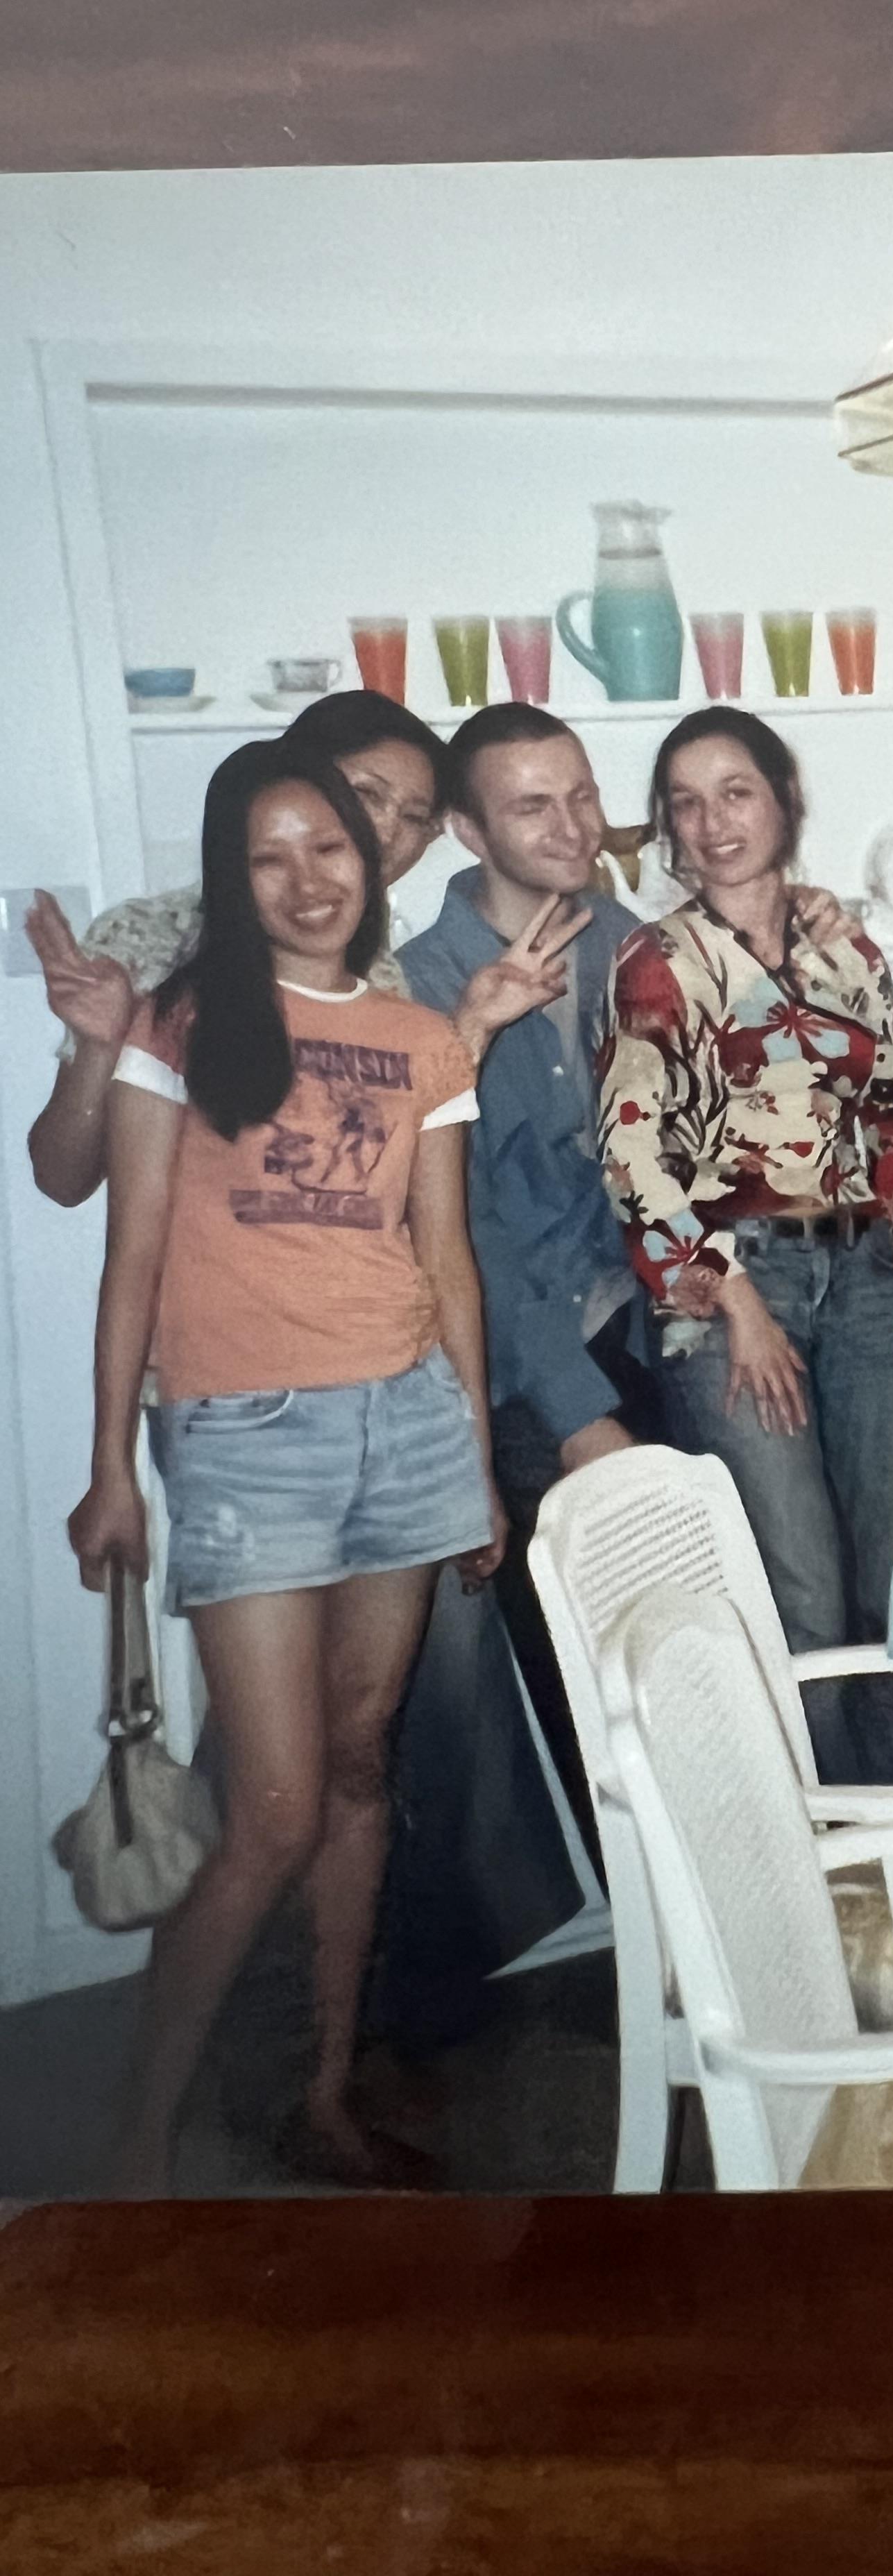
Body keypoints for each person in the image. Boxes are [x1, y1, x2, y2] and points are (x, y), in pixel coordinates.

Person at [66, 740, 500, 2194]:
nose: (308, 879)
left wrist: (476, 1460)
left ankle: (321, 2092)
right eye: (269, 855)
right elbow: (129, 1256)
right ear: (231, 876)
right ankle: (138, 2133)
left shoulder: (422, 1036)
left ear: (368, 864)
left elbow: (445, 1260)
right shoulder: (183, 1023)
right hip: (247, 1435)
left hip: (409, 1424)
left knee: (364, 1762)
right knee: (275, 1806)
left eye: (330, 847)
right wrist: (112, 1467)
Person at [597, 708, 893, 1786]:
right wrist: (735, 1302)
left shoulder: (846, 947)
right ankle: (832, 1851)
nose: (713, 821)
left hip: (865, 1279)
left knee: (892, 1583)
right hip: (736, 1288)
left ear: (785, 799)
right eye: (686, 803)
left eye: (736, 792)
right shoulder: (657, 961)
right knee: (798, 1593)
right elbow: (631, 1153)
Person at [398, 703, 663, 1867]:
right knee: (596, 1687)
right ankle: (661, 1948)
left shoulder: (633, 941)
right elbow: (465, 1231)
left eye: (582, 795)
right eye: (532, 807)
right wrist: (573, 1413)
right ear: (468, 830)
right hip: (525, 1362)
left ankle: (748, 1928)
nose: (572, 826)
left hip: (652, 1330)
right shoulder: (422, 986)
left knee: (694, 1659)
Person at [24, 690, 552, 1207]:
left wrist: (473, 1027)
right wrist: (98, 1048)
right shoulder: (150, 939)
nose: (388, 831)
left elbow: (382, 1172)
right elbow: (64, 1181)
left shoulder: (378, 975)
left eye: (414, 817)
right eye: (367, 795)